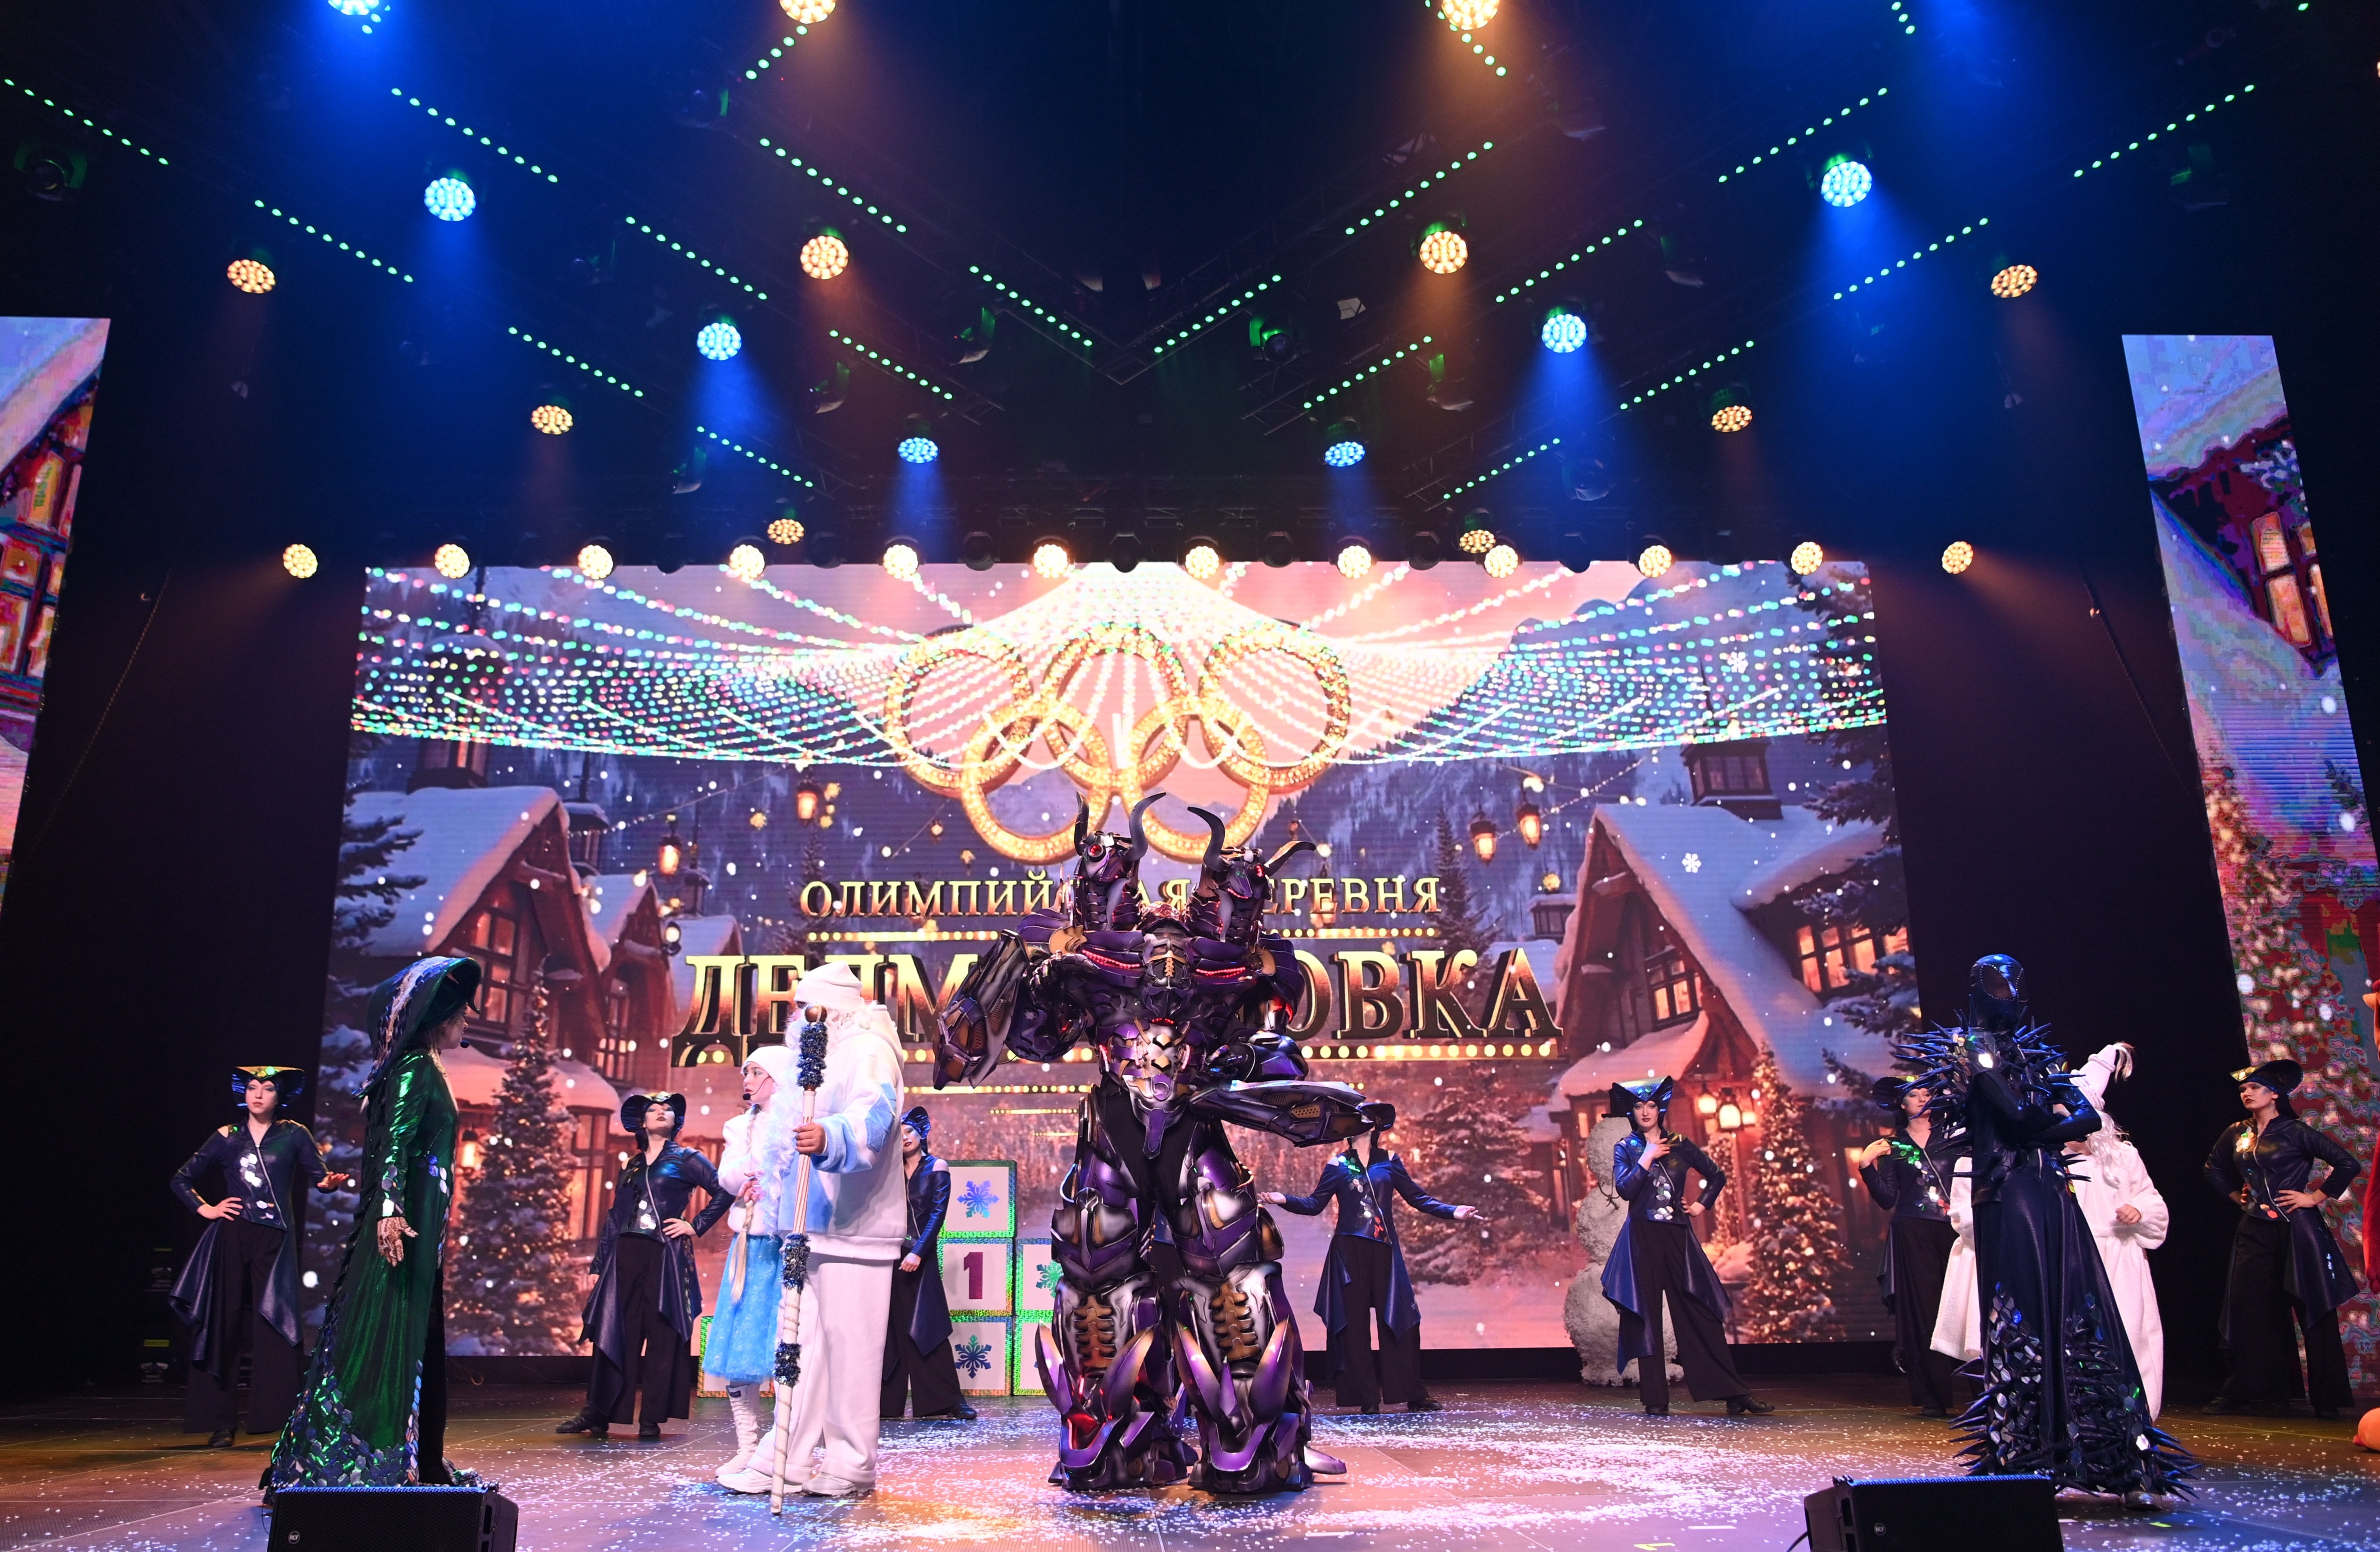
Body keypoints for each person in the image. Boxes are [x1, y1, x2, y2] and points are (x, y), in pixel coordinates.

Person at [1895, 955, 2190, 1501]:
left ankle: (2113, 1457)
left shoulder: (2034, 1057)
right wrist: (2048, 1122)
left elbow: (2085, 1117)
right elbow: (2016, 1113)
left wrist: (2040, 1124)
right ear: (1977, 990)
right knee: (2023, 1316)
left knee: (2080, 1306)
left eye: (2015, 984)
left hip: (2050, 1187)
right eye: (1997, 984)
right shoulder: (1972, 1048)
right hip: (2006, 1191)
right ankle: (2028, 1454)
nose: (2009, 993)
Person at [266, 955, 483, 1492]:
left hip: (424, 1220)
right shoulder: (415, 1068)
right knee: (394, 1326)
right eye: (460, 1013)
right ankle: (377, 1455)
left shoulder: (428, 1066)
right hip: (406, 1223)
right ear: (439, 1018)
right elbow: (395, 1143)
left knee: (418, 1329)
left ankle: (423, 1459)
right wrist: (390, 1209)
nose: (466, 1020)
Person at [719, 962, 906, 1499]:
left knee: (851, 1353)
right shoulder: (817, 1059)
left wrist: (829, 1136)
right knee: (797, 1350)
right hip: (810, 1225)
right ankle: (784, 1455)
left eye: (805, 1008)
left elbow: (876, 1115)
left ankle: (851, 1461)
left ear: (831, 1008)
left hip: (855, 1225)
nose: (798, 1018)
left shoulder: (867, 1049)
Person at [169, 1067, 349, 1446]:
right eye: (252, 1087)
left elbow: (319, 1177)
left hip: (276, 1238)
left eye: (267, 1088)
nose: (258, 1094)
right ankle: (220, 1423)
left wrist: (329, 1183)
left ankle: (279, 1420)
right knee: (224, 1322)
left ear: (278, 1096)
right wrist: (208, 1208)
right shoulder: (227, 1136)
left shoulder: (294, 1134)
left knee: (275, 1323)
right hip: (232, 1234)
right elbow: (181, 1178)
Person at [1263, 1126, 1481, 1414]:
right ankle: (1366, 1397)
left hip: (1384, 1249)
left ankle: (1412, 1394)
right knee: (1353, 1326)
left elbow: (1417, 1198)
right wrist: (1284, 1199)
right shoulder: (1338, 1164)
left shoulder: (1389, 1160)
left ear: (1374, 1127)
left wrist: (1452, 1211)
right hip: (1348, 1251)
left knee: (1400, 1318)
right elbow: (1315, 1204)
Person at [557, 1092, 729, 1441]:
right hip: (625, 1254)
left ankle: (652, 1417)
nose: (661, 1112)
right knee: (616, 1329)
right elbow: (615, 1216)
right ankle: (598, 1413)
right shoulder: (632, 1165)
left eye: (668, 1109)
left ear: (676, 1121)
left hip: (665, 1255)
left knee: (662, 1332)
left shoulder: (687, 1158)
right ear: (642, 1121)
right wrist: (600, 1262)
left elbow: (724, 1190)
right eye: (654, 1109)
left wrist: (695, 1225)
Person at [1598, 1077, 1771, 1418]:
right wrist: (1646, 1157)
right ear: (1632, 1111)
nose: (1645, 1112)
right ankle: (1655, 1399)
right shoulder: (1626, 1147)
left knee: (1700, 1312)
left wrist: (1701, 1205)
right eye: (1639, 1106)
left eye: (1651, 1106)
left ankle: (1733, 1393)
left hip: (1677, 1235)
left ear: (1660, 1109)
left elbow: (1717, 1175)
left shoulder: (1680, 1144)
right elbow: (1626, 1190)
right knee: (1646, 1316)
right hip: (1642, 1238)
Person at [2203, 1057, 2362, 1419]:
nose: (2247, 1093)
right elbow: (2213, 1168)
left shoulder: (2295, 1131)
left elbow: (2348, 1162)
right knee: (2247, 1308)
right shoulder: (2238, 1132)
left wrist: (2315, 1196)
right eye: (2243, 1089)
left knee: (2313, 1308)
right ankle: (2247, 1390)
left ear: (2274, 1094)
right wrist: (2238, 1198)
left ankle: (2327, 1398)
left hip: (2298, 1229)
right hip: (2254, 1229)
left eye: (2254, 1087)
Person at [704, 1041, 799, 1483]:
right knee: (741, 1348)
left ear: (777, 1077)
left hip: (789, 1246)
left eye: (756, 1071)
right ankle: (747, 1447)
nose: (747, 1079)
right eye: (746, 1072)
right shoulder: (739, 1126)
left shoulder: (798, 1121)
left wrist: (770, 1170)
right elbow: (726, 1176)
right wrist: (751, 1170)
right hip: (750, 1246)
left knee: (787, 1348)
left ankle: (785, 1446)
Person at [2066, 1043, 2169, 1418]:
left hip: (2121, 1259)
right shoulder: (2052, 1161)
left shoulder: (2124, 1157)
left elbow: (2152, 1199)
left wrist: (2138, 1210)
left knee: (2130, 1331)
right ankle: (2082, 1413)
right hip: (2074, 1258)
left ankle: (2133, 1414)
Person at [1855, 1077, 1959, 1417]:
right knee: (1924, 1311)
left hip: (1958, 1230)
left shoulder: (1954, 1136)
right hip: (1913, 1230)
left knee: (1964, 1304)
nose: (1922, 1099)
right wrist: (1866, 1166)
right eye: (1914, 1094)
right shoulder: (1894, 1145)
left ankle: (1983, 1391)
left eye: (1927, 1093)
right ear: (1902, 1103)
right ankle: (1933, 1396)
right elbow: (1887, 1198)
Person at [880, 1106, 975, 1422]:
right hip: (890, 1255)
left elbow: (937, 1215)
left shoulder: (937, 1167)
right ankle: (885, 1404)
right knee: (891, 1330)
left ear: (921, 1133)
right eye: (899, 1134)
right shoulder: (889, 1173)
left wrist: (918, 1252)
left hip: (920, 1256)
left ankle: (947, 1400)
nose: (905, 1138)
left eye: (909, 1131)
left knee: (928, 1327)